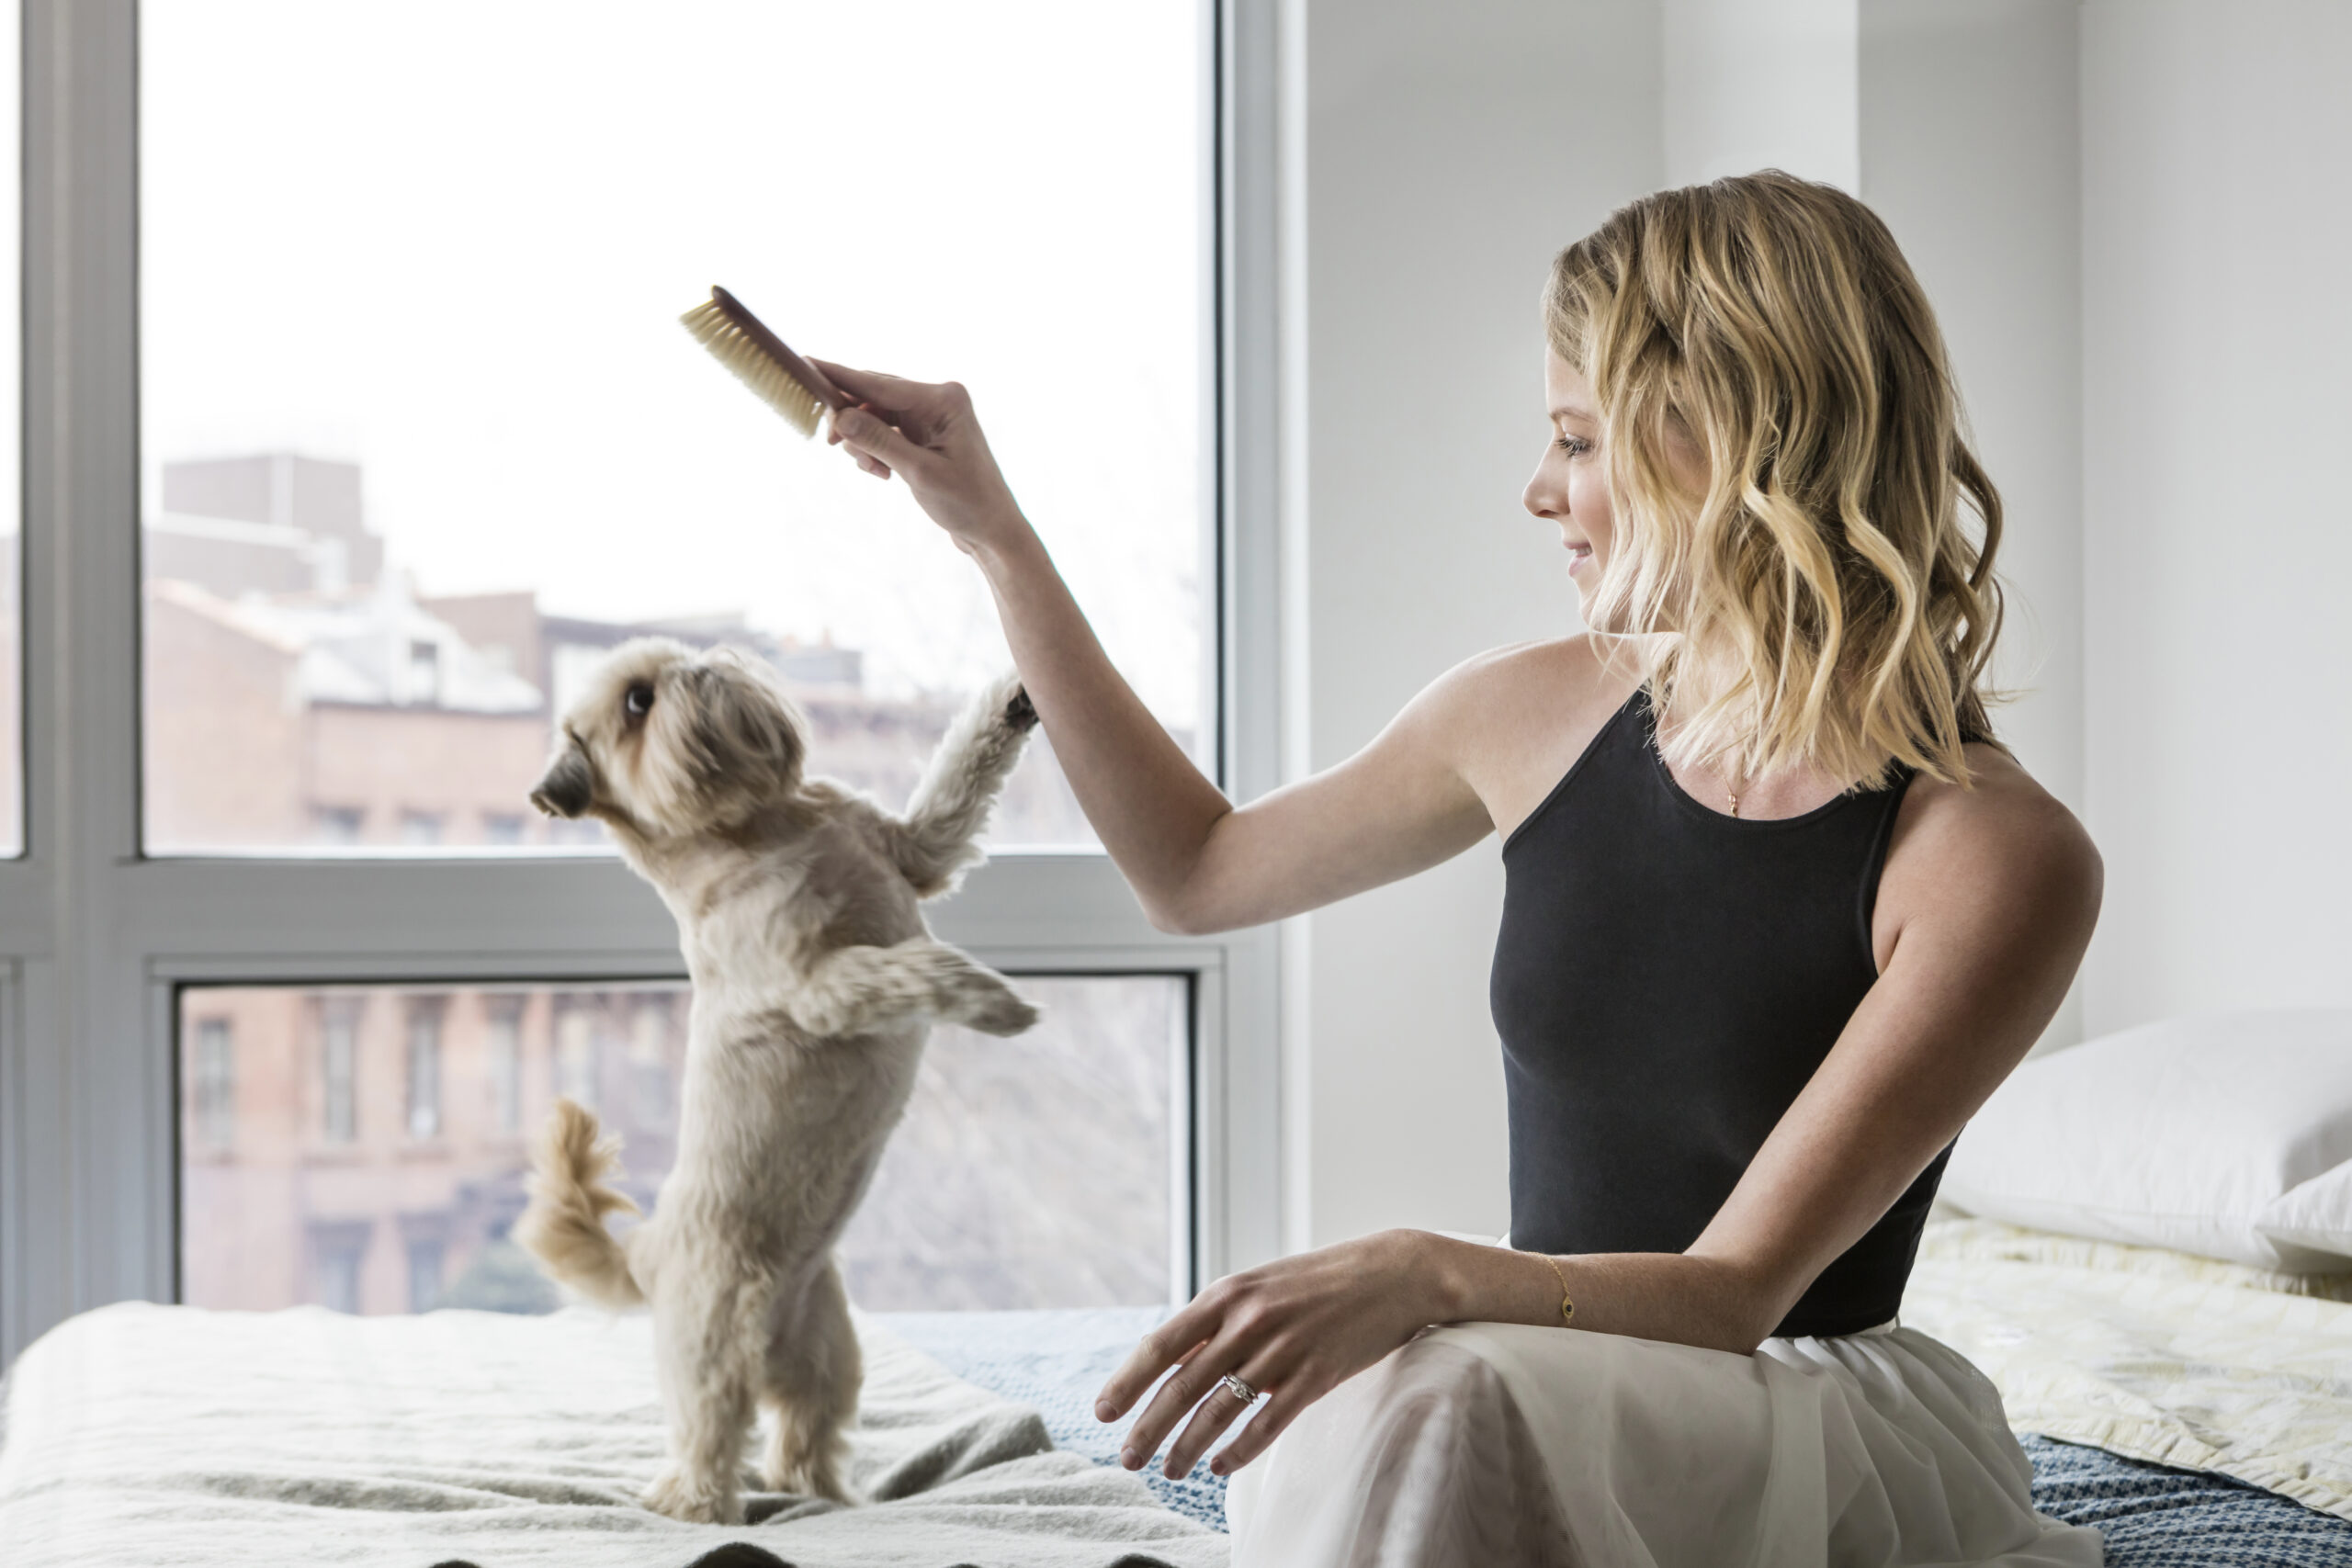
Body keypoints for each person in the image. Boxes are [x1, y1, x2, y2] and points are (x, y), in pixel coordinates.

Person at [820, 171, 2106, 1566]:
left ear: (1732, 437)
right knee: (1424, 1388)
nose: (1540, 490)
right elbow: (1198, 872)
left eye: (1577, 438)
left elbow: (1736, 1293)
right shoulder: (1530, 713)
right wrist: (995, 535)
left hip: (1786, 1416)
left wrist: (1428, 1274)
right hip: (1525, 1384)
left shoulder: (1993, 855)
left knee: (1442, 1384)